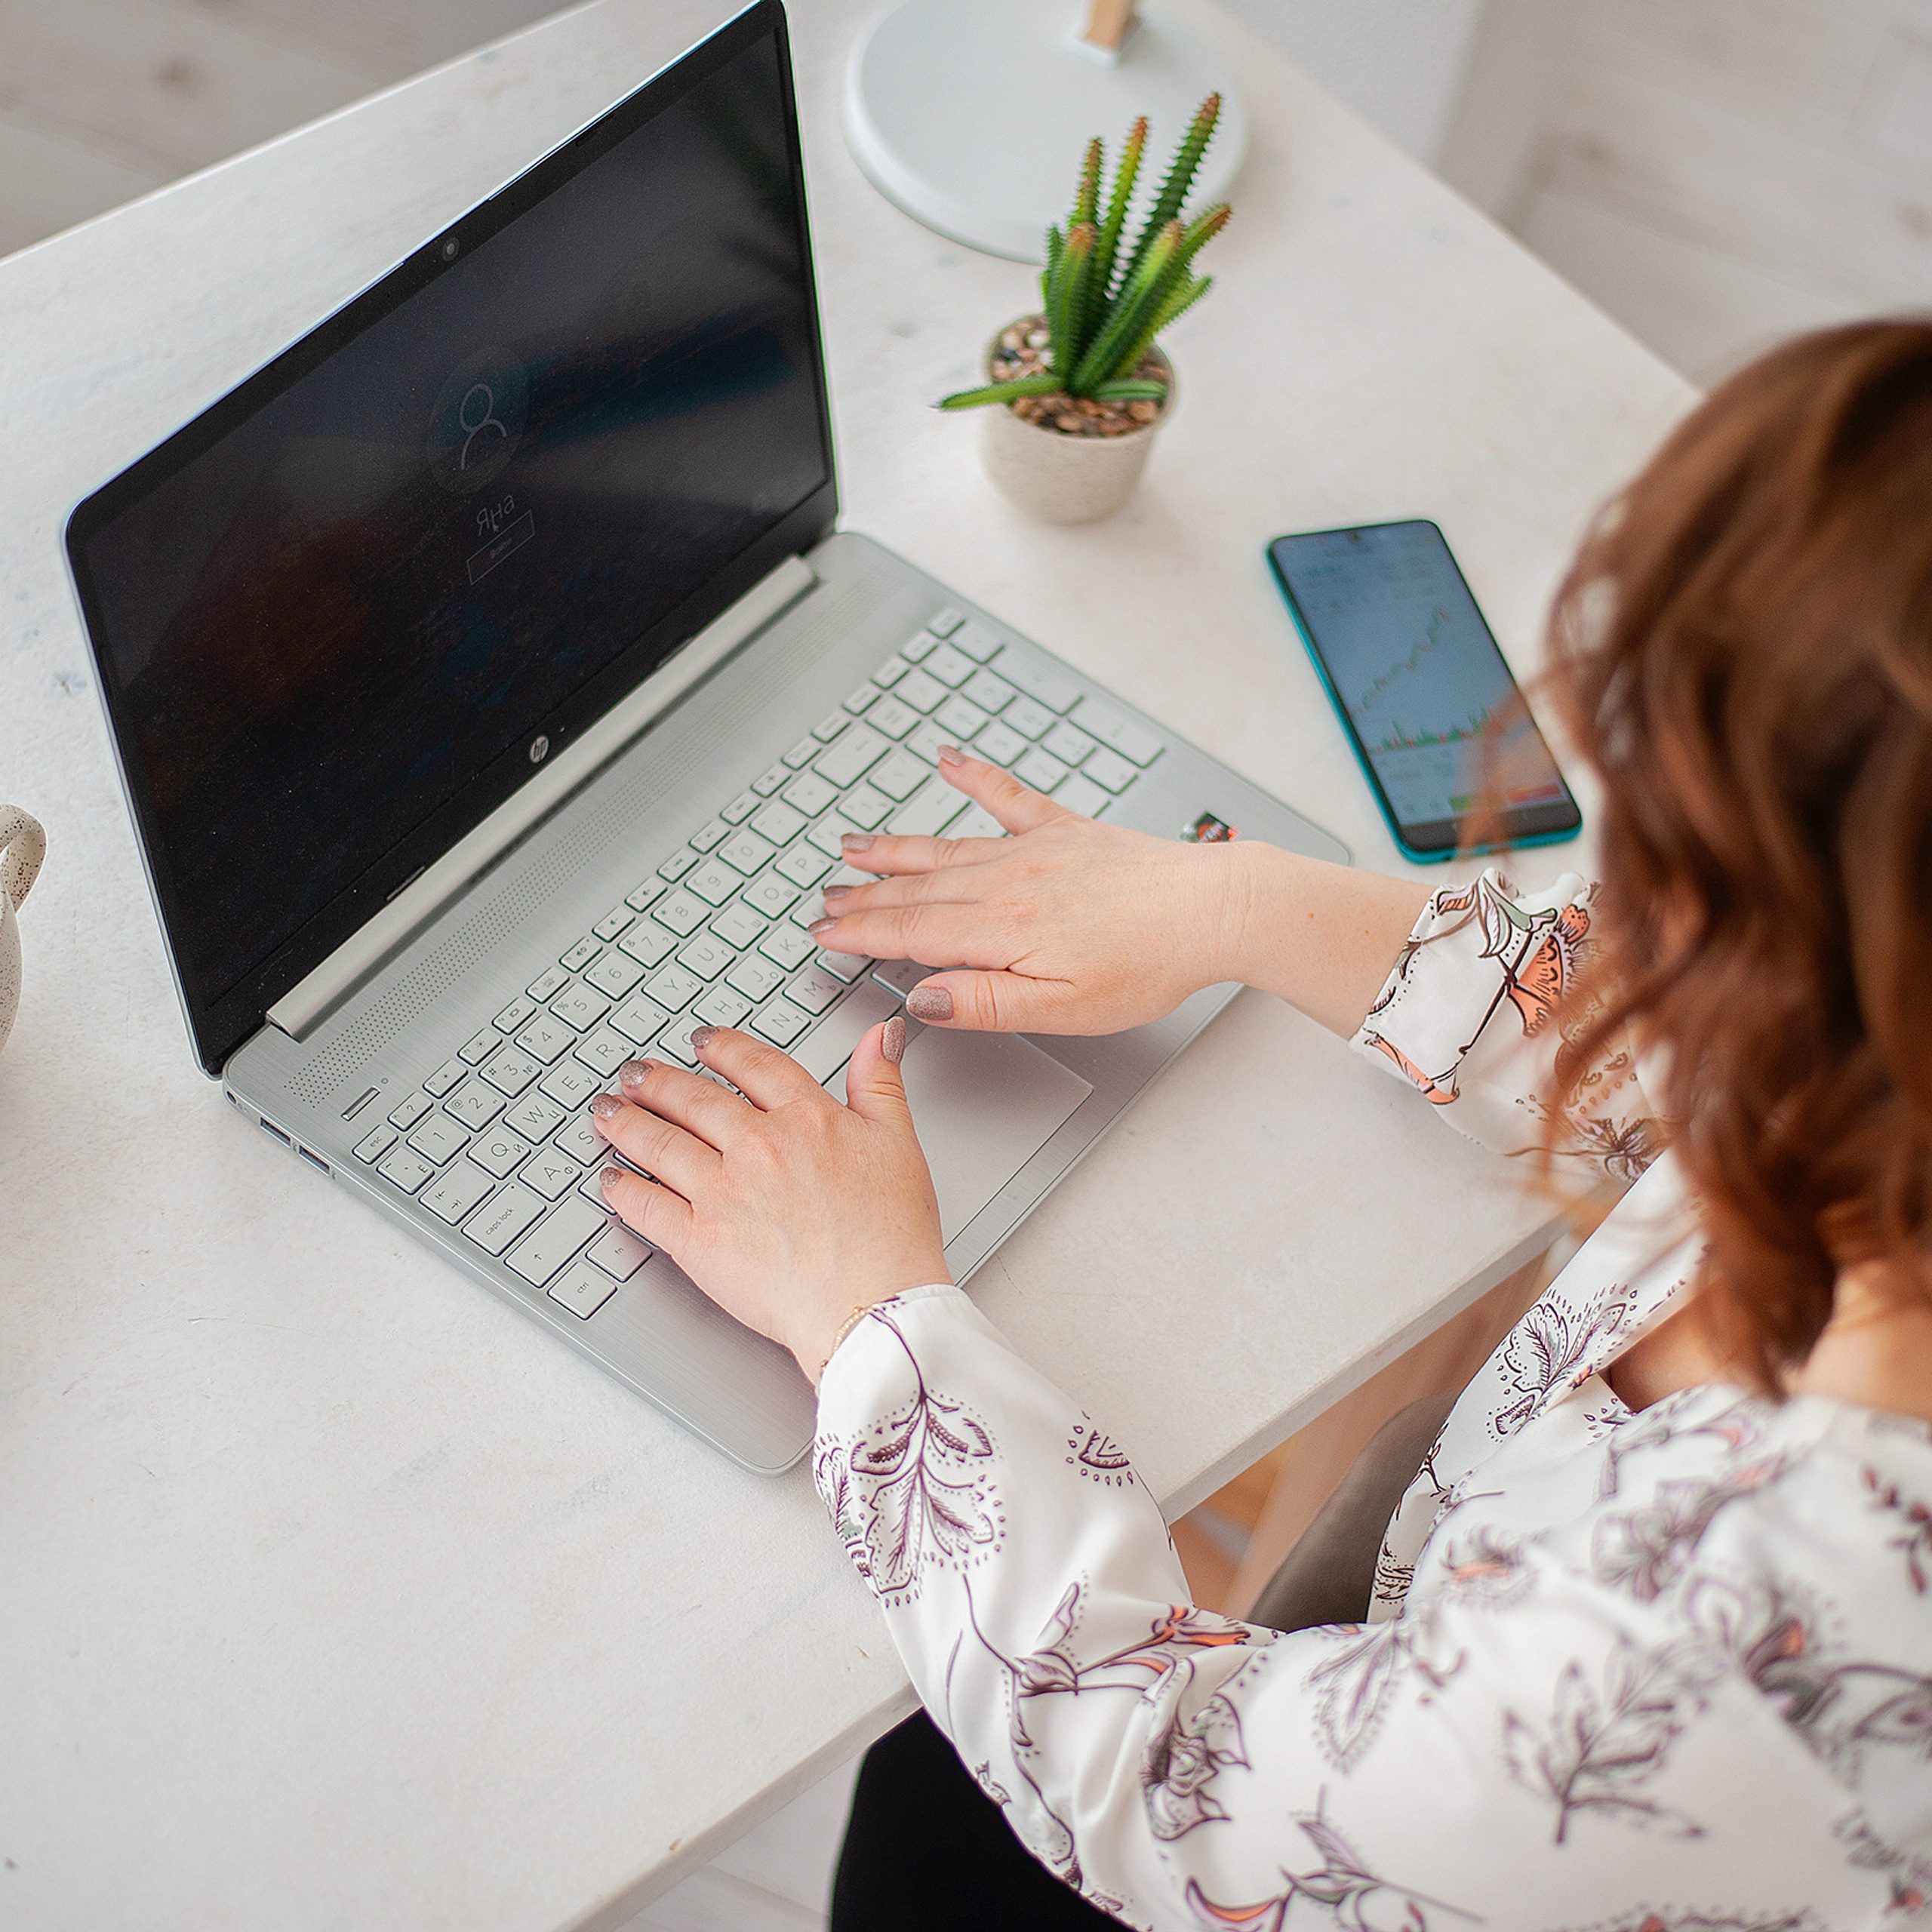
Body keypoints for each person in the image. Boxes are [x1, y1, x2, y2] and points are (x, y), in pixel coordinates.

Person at [587, 320, 1932, 1927]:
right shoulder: (1878, 1096)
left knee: (925, 1814)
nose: (1619, 893)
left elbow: (1166, 1791)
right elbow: (1699, 1066)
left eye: (1678, 842)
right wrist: (1232, 900)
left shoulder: (1712, 1659)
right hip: (1432, 1633)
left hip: (1291, 1820)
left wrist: (866, 1314)